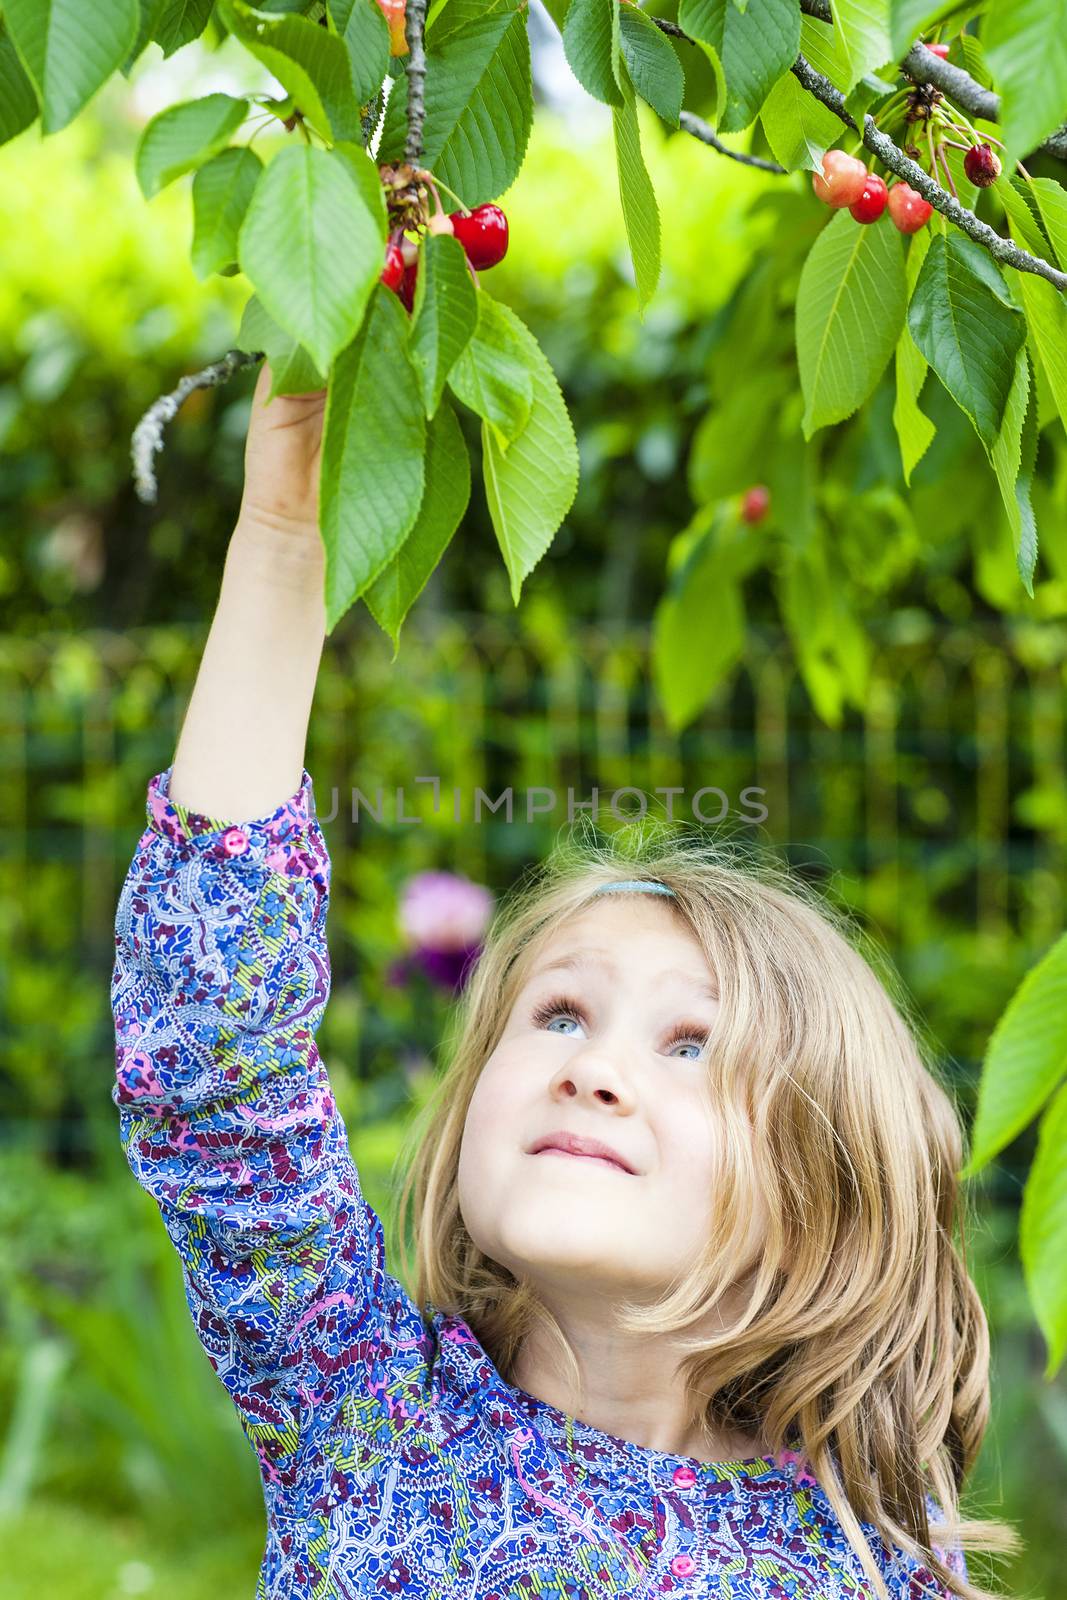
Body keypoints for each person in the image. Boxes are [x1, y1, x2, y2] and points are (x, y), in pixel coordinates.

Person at [110, 359, 1017, 1600]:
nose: (592, 1069)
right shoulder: (362, 1413)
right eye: (558, 1013)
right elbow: (212, 1055)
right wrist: (279, 538)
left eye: (689, 1044)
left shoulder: (870, 1564)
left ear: (824, 1179)